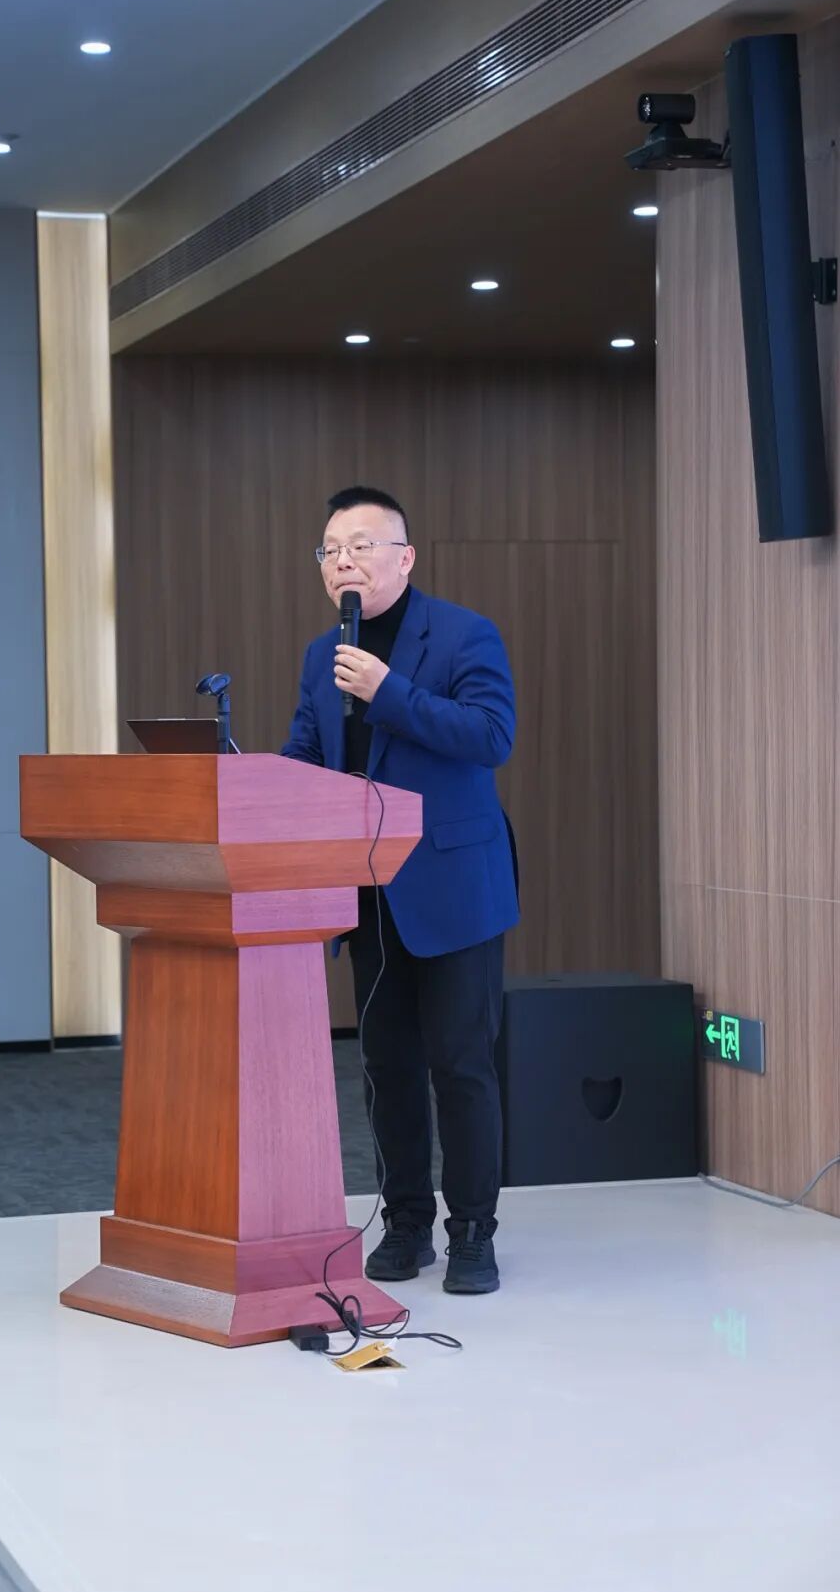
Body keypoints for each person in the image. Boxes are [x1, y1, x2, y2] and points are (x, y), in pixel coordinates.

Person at [283, 486, 518, 1294]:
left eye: (361, 545)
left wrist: (388, 691)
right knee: (387, 1067)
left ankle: (474, 1232)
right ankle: (408, 1222)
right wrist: (249, 774)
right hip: (369, 894)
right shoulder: (322, 655)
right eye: (330, 550)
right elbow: (308, 757)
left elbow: (491, 735)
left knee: (461, 1065)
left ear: (405, 557)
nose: (342, 561)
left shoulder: (462, 634)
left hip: (454, 890)